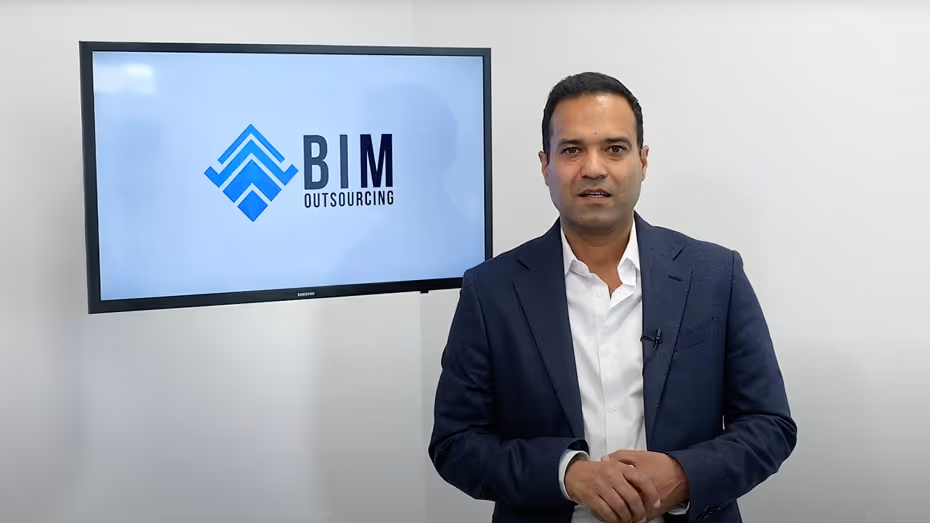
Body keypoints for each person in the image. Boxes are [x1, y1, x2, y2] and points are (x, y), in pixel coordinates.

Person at [428, 72, 797, 523]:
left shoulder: (717, 275)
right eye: (572, 150)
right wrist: (566, 474)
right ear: (545, 165)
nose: (594, 168)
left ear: (643, 161)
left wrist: (683, 475)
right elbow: (456, 442)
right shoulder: (492, 289)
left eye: (615, 149)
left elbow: (769, 425)